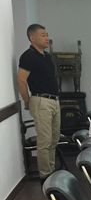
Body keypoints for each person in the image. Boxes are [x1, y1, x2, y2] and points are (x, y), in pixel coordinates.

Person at [17, 23, 60, 181]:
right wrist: (27, 101)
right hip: (41, 100)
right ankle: (45, 176)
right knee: (45, 141)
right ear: (32, 37)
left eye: (47, 34)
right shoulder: (28, 56)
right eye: (43, 35)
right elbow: (21, 80)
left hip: (54, 100)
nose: (47, 38)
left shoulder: (47, 56)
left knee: (54, 139)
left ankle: (52, 171)